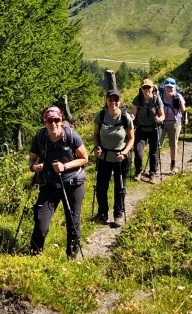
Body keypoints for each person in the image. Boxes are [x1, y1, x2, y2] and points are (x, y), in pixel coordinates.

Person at [29, 106, 89, 258]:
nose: (53, 123)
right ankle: (35, 254)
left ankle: (72, 254)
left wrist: (65, 166)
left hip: (73, 183)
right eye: (50, 120)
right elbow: (32, 158)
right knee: (41, 221)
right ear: (45, 122)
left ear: (61, 121)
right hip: (49, 184)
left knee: (72, 221)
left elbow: (84, 158)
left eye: (57, 120)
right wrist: (34, 167)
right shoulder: (40, 137)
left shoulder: (71, 136)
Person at [92, 89, 134, 225]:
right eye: (110, 99)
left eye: (116, 100)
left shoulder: (125, 117)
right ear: (106, 101)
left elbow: (131, 138)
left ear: (120, 101)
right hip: (104, 157)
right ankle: (102, 213)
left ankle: (118, 214)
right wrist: (97, 147)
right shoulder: (101, 116)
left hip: (120, 158)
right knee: (101, 187)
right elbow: (95, 135)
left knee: (120, 187)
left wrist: (125, 152)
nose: (113, 102)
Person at [132, 78, 165, 180]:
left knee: (153, 152)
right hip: (141, 129)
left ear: (152, 88)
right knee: (138, 152)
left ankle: (152, 173)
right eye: (144, 87)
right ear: (141, 89)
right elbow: (133, 114)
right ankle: (138, 171)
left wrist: (159, 119)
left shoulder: (156, 99)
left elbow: (163, 116)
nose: (146, 89)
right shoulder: (137, 100)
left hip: (154, 129)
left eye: (148, 87)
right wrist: (130, 119)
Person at [158, 77, 186, 173]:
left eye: (171, 87)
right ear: (164, 87)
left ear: (174, 87)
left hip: (174, 123)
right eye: (167, 87)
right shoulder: (160, 96)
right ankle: (156, 165)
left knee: (173, 145)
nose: (169, 89)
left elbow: (183, 110)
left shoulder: (178, 97)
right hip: (161, 123)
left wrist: (185, 119)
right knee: (158, 144)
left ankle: (173, 165)